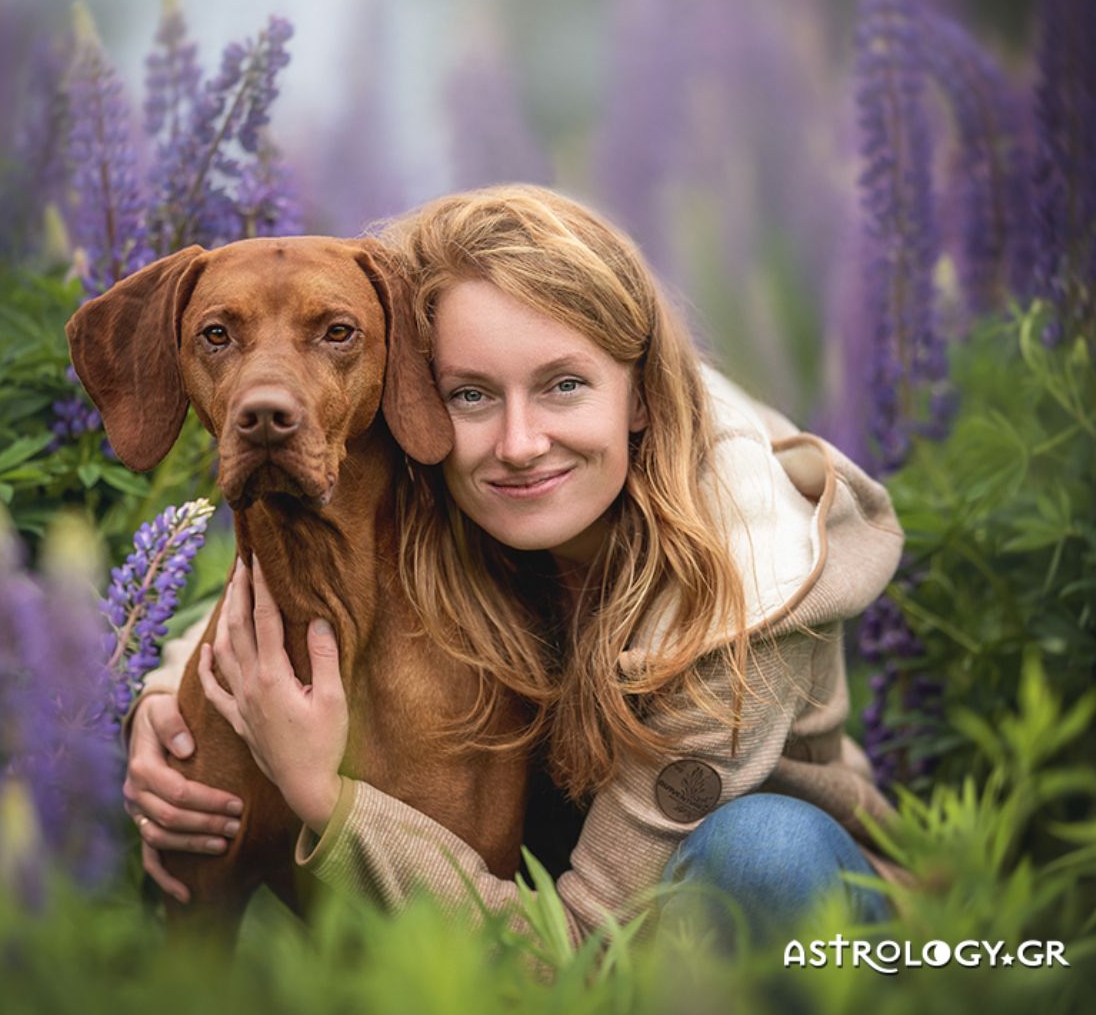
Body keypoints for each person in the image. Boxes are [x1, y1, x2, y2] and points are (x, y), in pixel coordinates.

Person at [121, 184, 908, 951]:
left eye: (565, 385)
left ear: (641, 395)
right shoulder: (439, 460)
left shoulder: (746, 592)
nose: (520, 443)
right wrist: (166, 696)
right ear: (416, 392)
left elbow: (587, 945)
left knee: (763, 848)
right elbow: (312, 562)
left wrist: (323, 795)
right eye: (470, 394)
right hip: (528, 886)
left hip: (714, 914)